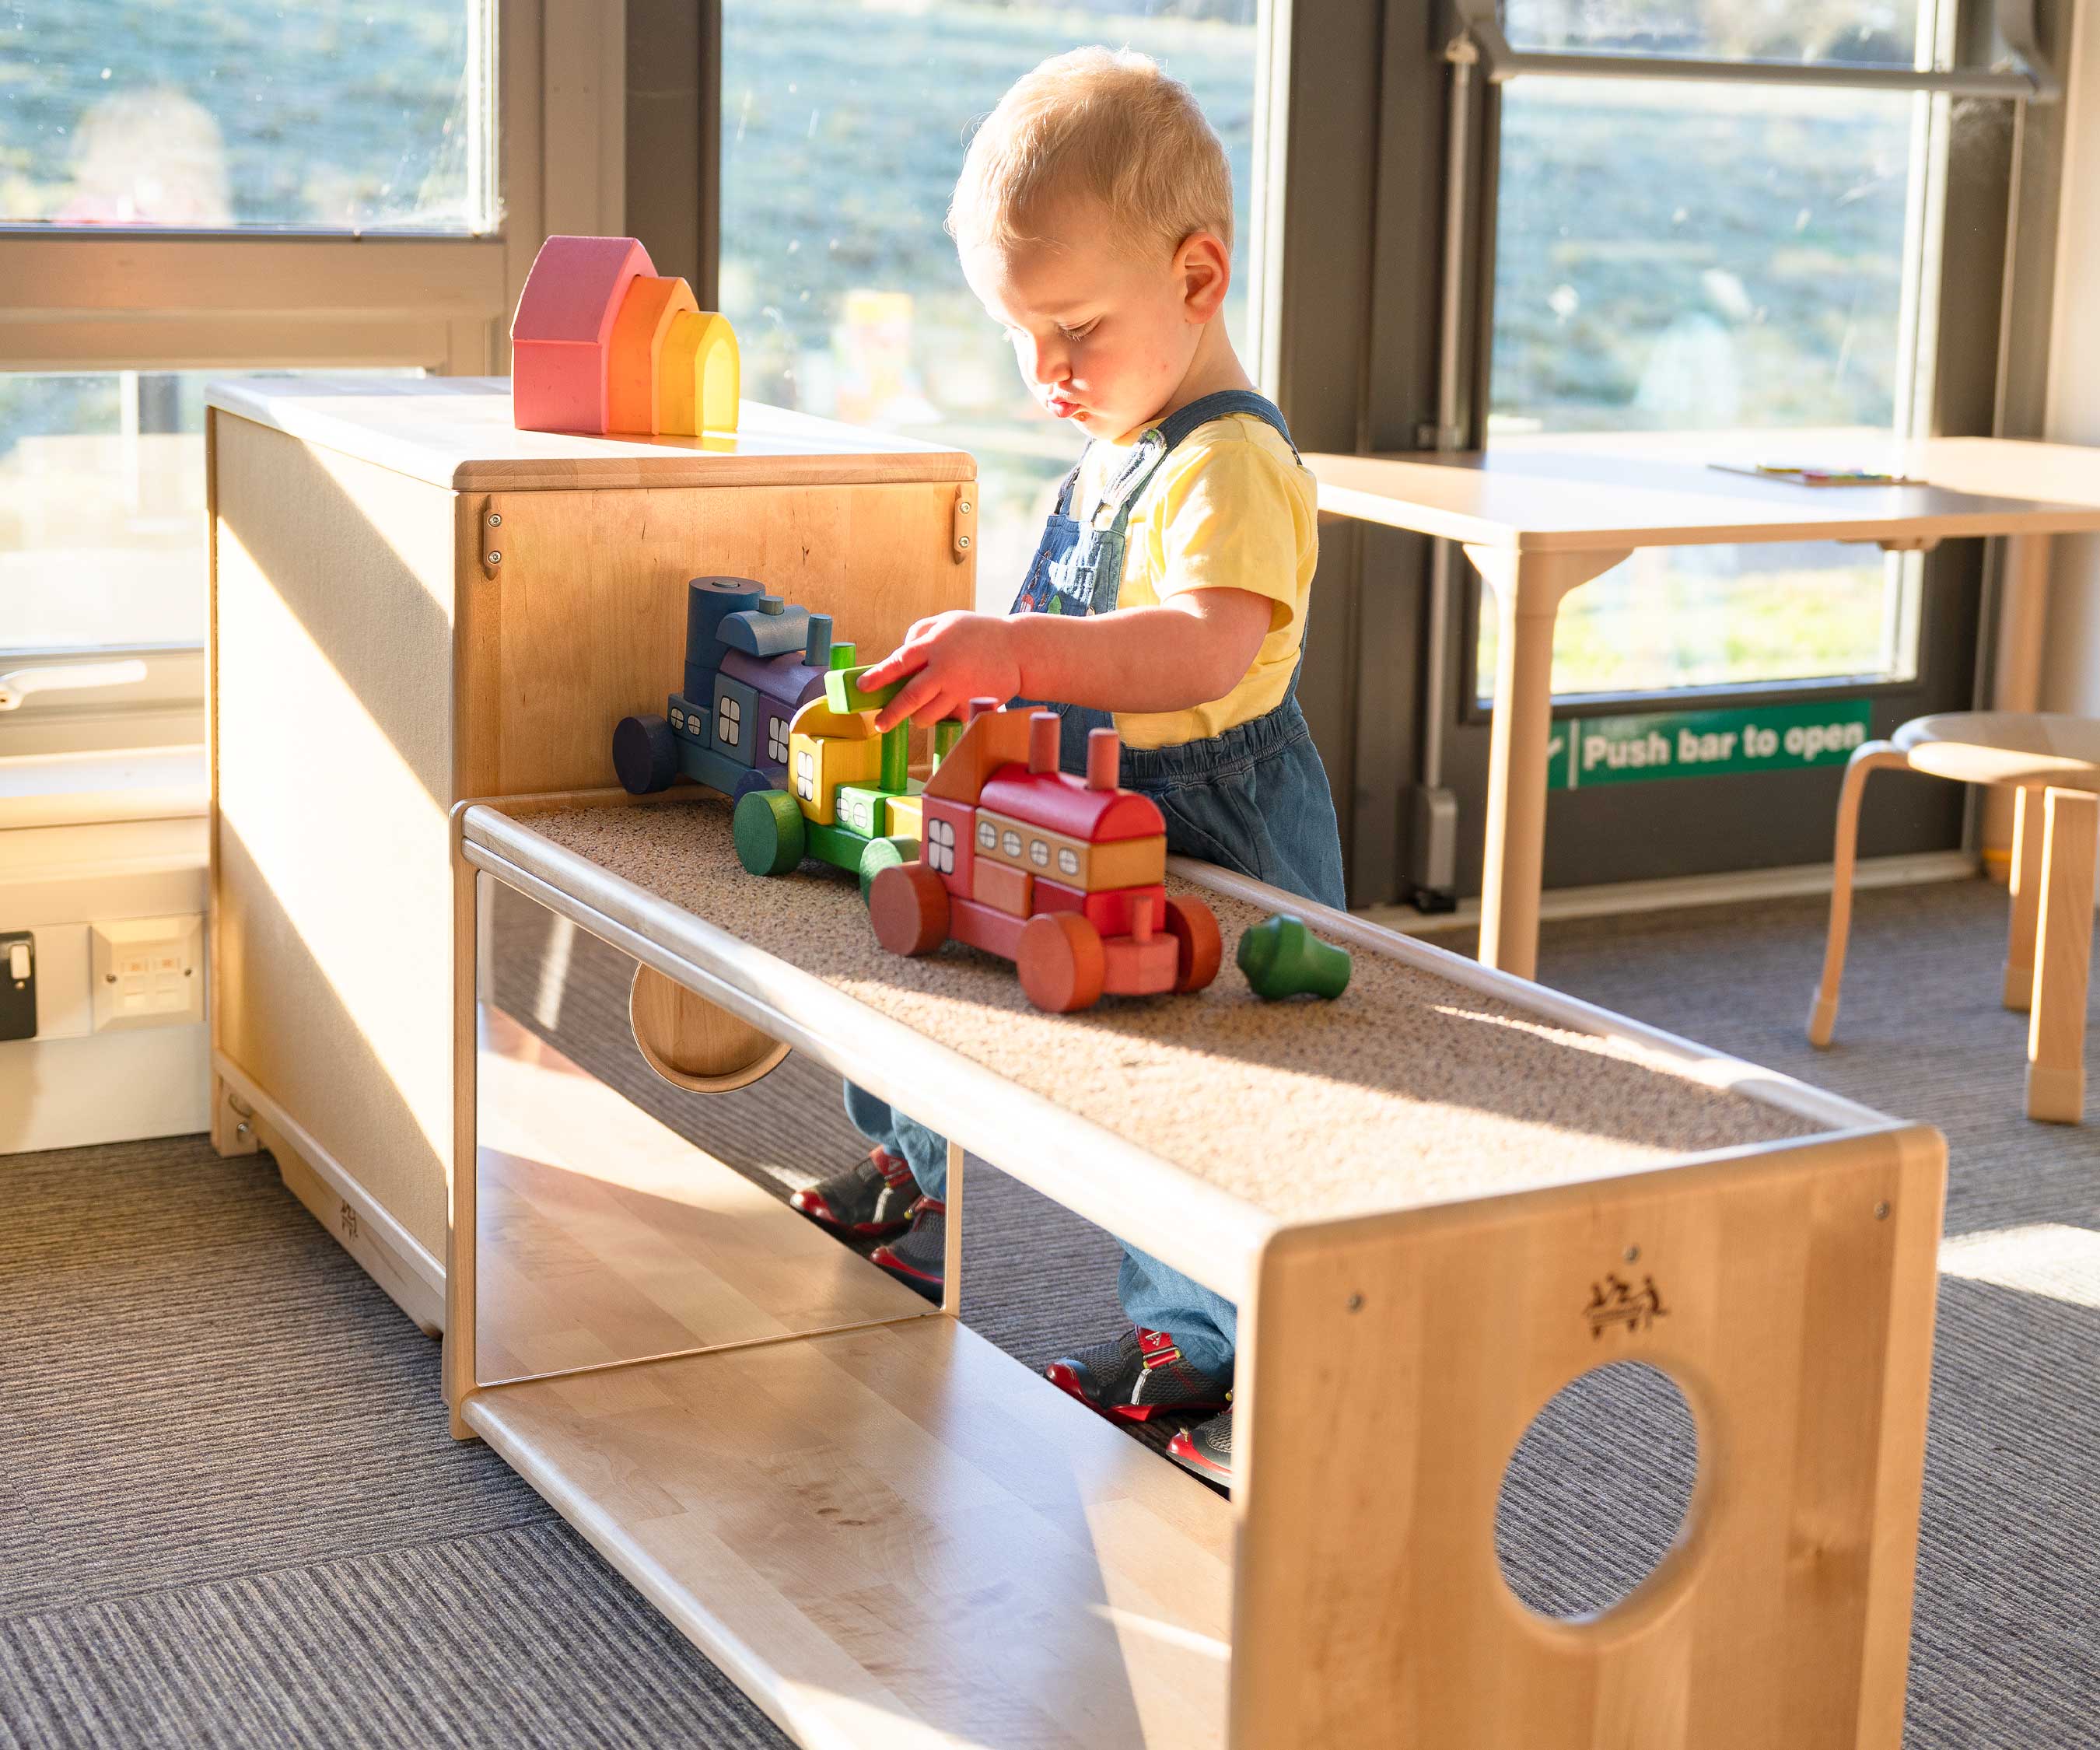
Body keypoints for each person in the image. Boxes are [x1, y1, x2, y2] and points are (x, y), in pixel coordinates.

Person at [788, 45, 1344, 1486]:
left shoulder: (1230, 464)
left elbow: (1201, 649)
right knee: (942, 962)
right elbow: (1068, 624)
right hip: (1081, 794)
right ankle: (914, 1174)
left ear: (1200, 278)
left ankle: (1197, 1337)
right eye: (1022, 340)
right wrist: (984, 674)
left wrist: (1021, 654)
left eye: (1075, 331)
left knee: (1186, 1093)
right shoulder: (1114, 435)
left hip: (1211, 817)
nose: (1047, 375)